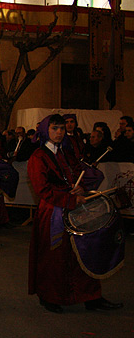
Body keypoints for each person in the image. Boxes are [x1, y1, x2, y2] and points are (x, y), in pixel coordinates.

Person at [27, 114, 123, 313]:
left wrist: (81, 188)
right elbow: (42, 189)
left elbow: (80, 173)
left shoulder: (67, 152)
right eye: (55, 128)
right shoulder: (38, 157)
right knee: (54, 257)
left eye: (62, 128)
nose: (59, 132)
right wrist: (69, 199)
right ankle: (49, 296)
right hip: (52, 211)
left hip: (75, 207)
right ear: (46, 131)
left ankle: (91, 296)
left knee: (84, 251)